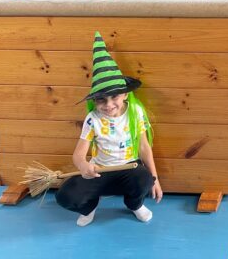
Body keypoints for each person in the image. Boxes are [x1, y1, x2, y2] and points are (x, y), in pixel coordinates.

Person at [55, 32, 162, 227]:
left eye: (115, 97)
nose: (109, 105)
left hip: (129, 168)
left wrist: (156, 179)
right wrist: (83, 166)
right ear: (94, 101)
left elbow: (144, 147)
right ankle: (90, 207)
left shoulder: (135, 112)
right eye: (101, 100)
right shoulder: (93, 119)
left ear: (125, 94)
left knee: (145, 179)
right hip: (100, 171)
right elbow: (78, 155)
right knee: (65, 196)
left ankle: (134, 205)